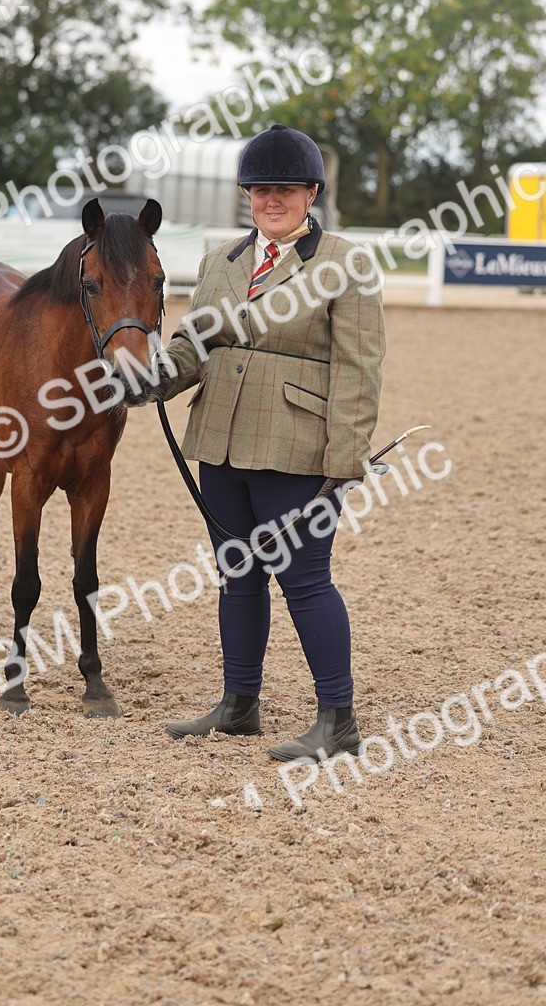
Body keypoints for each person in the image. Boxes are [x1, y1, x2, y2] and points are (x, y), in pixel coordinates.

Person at [156, 123, 386, 762]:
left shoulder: (343, 264)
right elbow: (193, 345)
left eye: (284, 188)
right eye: (259, 189)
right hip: (222, 445)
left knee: (306, 581)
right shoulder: (220, 262)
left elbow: (359, 368)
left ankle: (337, 719)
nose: (270, 200)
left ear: (311, 193)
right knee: (238, 577)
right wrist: (156, 377)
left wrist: (345, 459)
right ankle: (239, 705)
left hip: (296, 447)